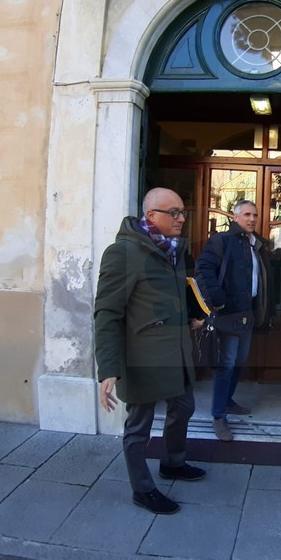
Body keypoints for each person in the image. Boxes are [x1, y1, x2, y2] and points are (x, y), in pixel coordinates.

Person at [94, 187, 206, 514]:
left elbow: (177, 291)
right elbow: (107, 313)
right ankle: (142, 490)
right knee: (138, 428)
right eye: (174, 213)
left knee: (184, 407)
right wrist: (109, 369)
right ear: (151, 216)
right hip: (142, 357)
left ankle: (172, 462)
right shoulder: (123, 253)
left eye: (183, 212)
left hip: (177, 352)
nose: (181, 218)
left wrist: (192, 315)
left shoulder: (174, 250)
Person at [195, 200, 269, 442]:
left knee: (239, 361)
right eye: (246, 214)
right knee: (225, 365)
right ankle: (218, 416)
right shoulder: (221, 241)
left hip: (248, 314)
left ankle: (227, 401)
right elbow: (203, 269)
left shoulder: (256, 244)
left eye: (254, 215)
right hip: (227, 316)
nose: (252, 219)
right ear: (235, 217)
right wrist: (218, 300)